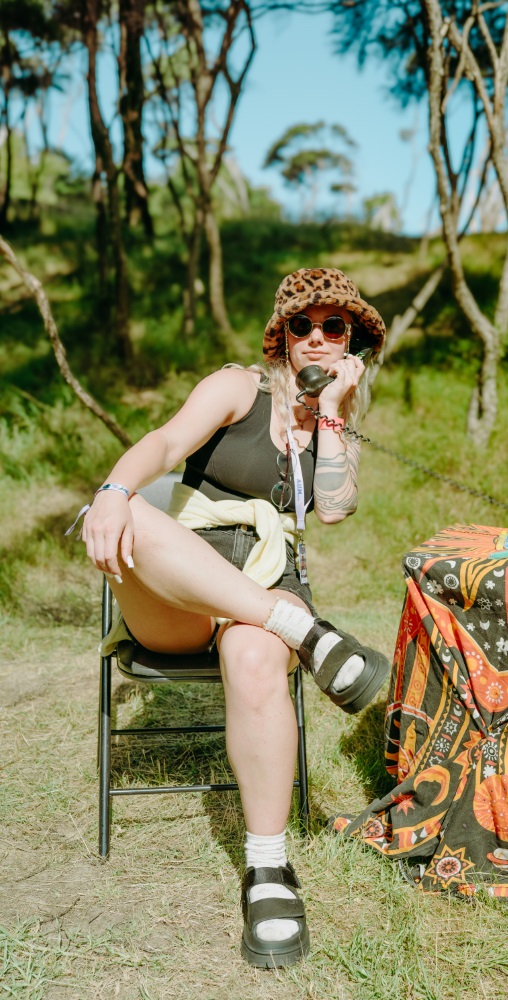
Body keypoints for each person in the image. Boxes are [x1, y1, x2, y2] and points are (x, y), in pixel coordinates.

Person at [78, 267, 389, 968]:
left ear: (350, 343)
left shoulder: (332, 424)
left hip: (269, 580)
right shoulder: (236, 387)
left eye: (334, 327)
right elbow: (164, 445)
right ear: (282, 335)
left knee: (253, 654)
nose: (317, 337)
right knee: (132, 510)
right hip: (179, 585)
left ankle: (267, 866)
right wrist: (113, 489)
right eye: (303, 325)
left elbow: (334, 509)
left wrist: (331, 410)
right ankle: (308, 636)